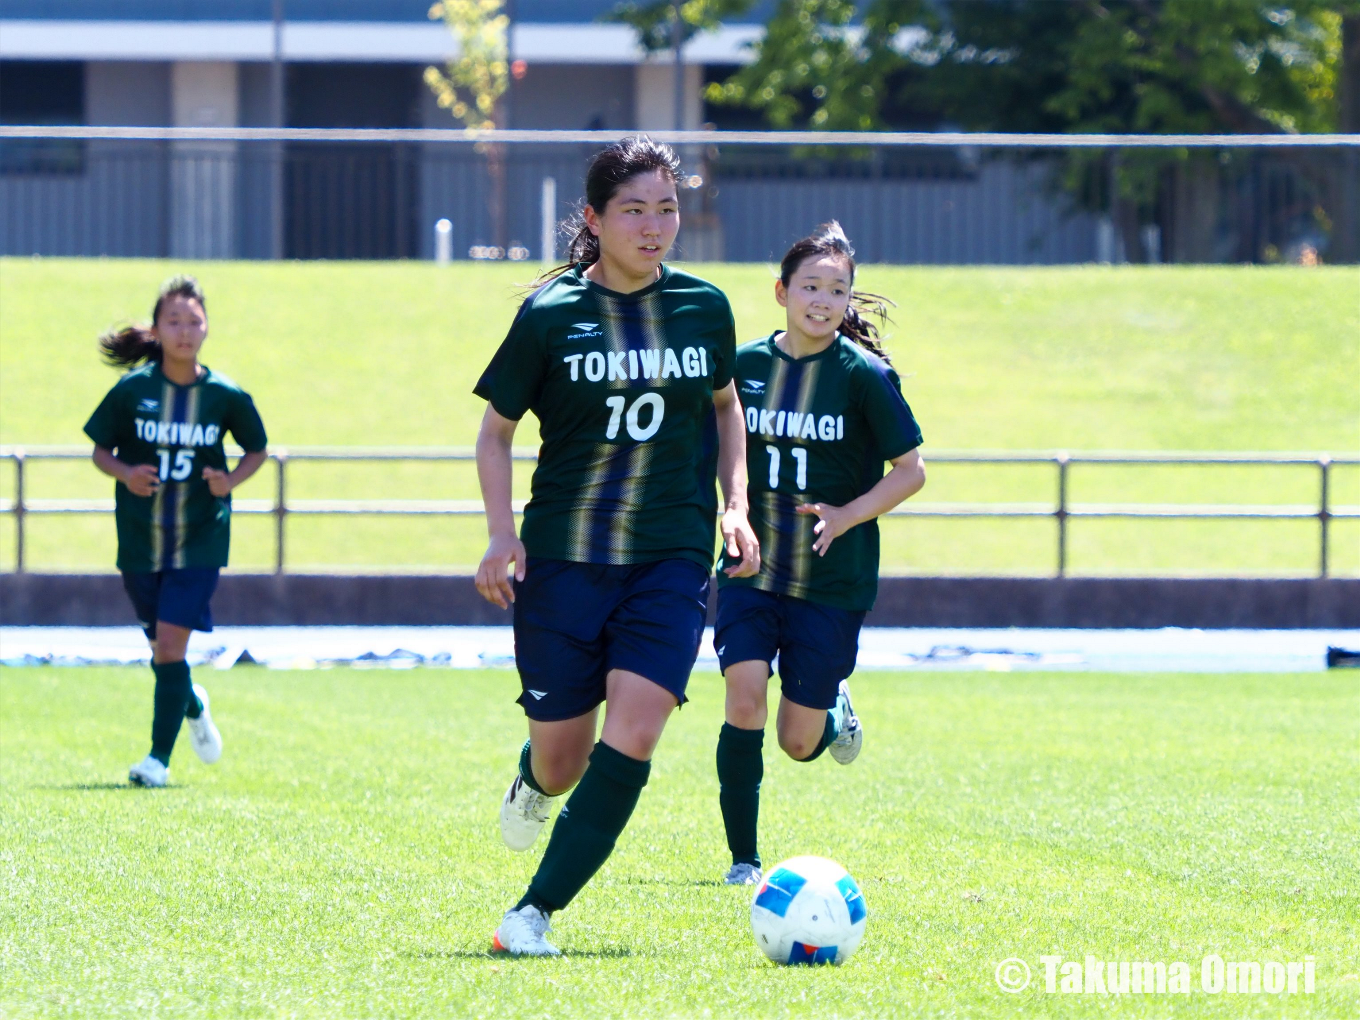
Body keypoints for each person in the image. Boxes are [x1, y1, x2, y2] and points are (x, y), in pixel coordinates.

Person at [473, 136, 760, 955]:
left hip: (669, 560)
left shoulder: (705, 307)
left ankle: (532, 914)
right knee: (562, 763)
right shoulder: (550, 315)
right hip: (563, 563)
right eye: (633, 210)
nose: (653, 225)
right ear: (595, 220)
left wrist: (735, 506)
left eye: (666, 208)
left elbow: (726, 407)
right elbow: (496, 433)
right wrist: (500, 535)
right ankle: (534, 779)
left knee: (635, 732)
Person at [712, 222, 926, 885]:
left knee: (798, 743)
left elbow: (910, 471)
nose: (823, 301)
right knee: (743, 699)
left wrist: (846, 514)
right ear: (782, 292)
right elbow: (713, 445)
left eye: (837, 290)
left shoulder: (864, 377)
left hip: (831, 580)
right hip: (751, 567)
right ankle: (743, 860)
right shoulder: (742, 367)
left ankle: (833, 709)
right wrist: (730, 510)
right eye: (811, 287)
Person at [83, 276, 268, 788]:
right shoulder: (133, 391)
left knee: (168, 647)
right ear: (157, 329)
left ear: (206, 328)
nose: (185, 331)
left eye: (194, 321)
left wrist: (229, 481)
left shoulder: (224, 394)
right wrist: (126, 473)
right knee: (163, 652)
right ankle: (191, 701)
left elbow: (257, 448)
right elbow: (99, 449)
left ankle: (156, 762)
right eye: (174, 321)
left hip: (201, 538)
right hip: (140, 538)